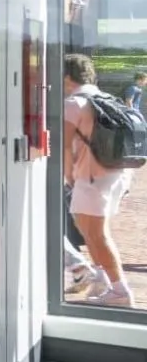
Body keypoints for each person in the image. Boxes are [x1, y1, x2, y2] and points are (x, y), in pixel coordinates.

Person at [64, 56, 137, 307]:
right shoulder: (106, 99)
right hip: (116, 174)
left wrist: (69, 177)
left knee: (97, 234)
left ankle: (120, 291)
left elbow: (63, 147)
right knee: (84, 225)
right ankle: (102, 281)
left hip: (92, 176)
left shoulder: (74, 104)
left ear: (66, 78)